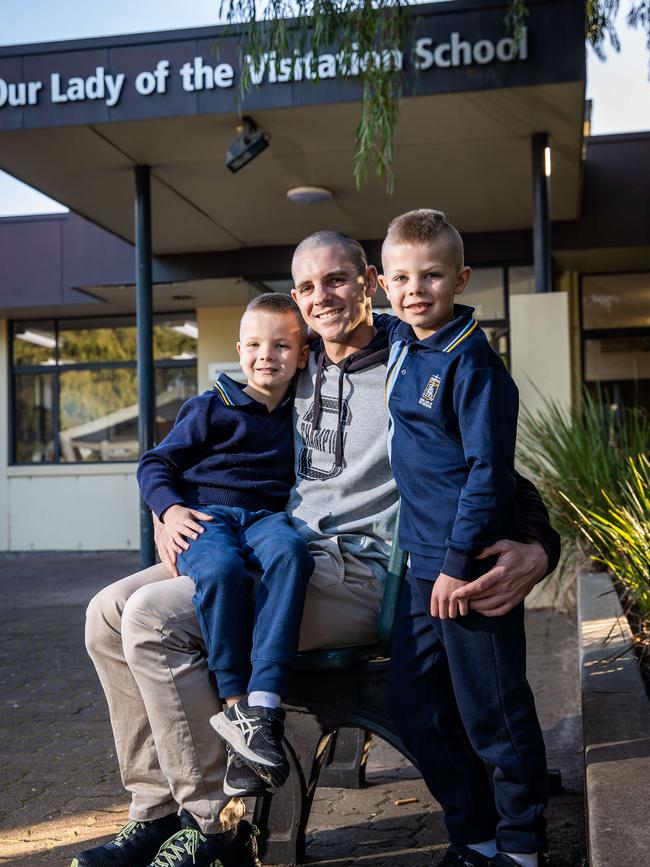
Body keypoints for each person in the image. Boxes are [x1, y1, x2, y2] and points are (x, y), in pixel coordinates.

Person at [74, 229, 559, 867]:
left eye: (336, 281)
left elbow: (485, 459)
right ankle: (155, 810)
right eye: (307, 287)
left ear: (368, 283)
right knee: (105, 615)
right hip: (282, 550)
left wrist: (537, 541)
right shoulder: (298, 359)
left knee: (154, 621)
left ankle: (213, 821)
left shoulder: (406, 351)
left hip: (359, 568)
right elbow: (220, 441)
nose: (321, 297)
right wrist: (168, 511)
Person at [379, 209, 549, 867]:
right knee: (413, 702)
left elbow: (489, 471)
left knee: (494, 713)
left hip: (470, 565)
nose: (415, 288)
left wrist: (455, 564)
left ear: (461, 278)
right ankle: (474, 832)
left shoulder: (471, 361)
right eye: (400, 277)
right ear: (383, 285)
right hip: (421, 565)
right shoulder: (405, 339)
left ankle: (521, 846)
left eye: (431, 275)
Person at [137, 292, 314, 798]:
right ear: (239, 351)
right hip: (204, 516)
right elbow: (155, 464)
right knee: (219, 572)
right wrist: (168, 511)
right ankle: (235, 704)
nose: (266, 355)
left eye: (281, 345)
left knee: (292, 554)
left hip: (263, 518)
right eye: (255, 344)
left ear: (302, 355)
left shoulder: (300, 413)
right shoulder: (211, 406)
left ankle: (265, 700)